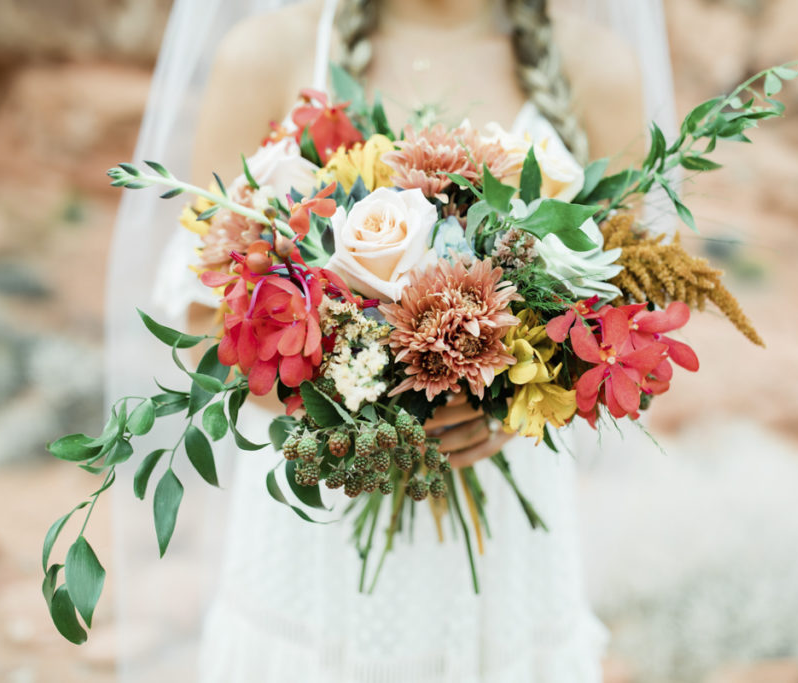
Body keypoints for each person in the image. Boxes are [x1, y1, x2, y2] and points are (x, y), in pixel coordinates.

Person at [106, 1, 677, 680]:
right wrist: (350, 415)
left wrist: (510, 406)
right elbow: (204, 320)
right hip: (316, 513)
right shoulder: (264, 55)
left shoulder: (597, 68)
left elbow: (626, 311)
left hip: (506, 526)